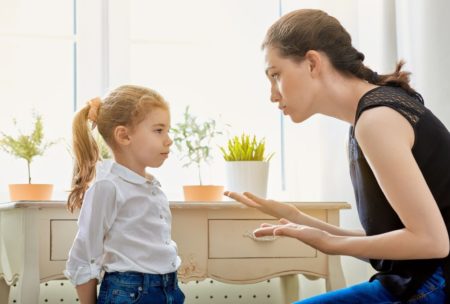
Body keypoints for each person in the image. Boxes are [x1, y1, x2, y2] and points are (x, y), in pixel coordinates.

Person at [225, 8, 450, 303]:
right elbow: (407, 239)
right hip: (420, 279)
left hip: (433, 283)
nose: (273, 94)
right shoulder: (369, 116)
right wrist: (299, 218)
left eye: (276, 75)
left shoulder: (376, 120)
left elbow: (431, 242)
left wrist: (332, 243)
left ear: (312, 63)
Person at [64, 85, 185, 304]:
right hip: (131, 294)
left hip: (168, 290)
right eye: (159, 130)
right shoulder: (107, 187)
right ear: (124, 135)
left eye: (168, 131)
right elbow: (84, 257)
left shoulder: (152, 187)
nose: (169, 140)